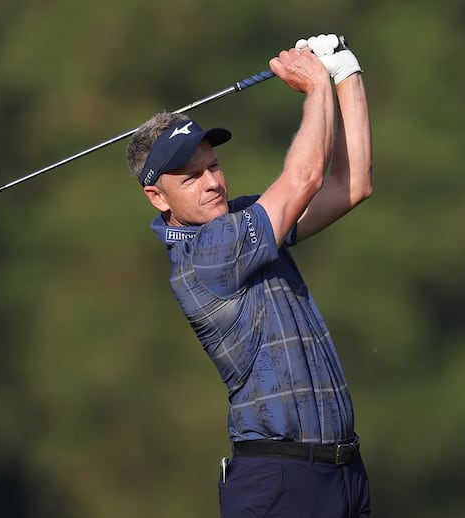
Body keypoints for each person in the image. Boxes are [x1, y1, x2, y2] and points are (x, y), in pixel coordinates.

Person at [126, 33, 373, 517]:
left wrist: (346, 74)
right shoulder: (206, 254)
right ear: (157, 197)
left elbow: (353, 184)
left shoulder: (245, 221)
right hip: (279, 482)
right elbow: (304, 180)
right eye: (191, 177)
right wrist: (316, 86)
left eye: (213, 166)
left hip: (343, 474)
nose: (214, 183)